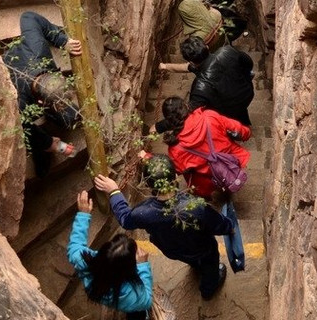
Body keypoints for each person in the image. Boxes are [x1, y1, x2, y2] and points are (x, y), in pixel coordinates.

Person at [94, 156, 231, 300]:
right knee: (210, 267)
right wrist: (230, 228)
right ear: (176, 177)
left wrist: (114, 191)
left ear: (149, 185)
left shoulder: (143, 212)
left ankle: (196, 266)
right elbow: (220, 225)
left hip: (172, 250)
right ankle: (208, 290)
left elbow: (125, 219)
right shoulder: (196, 207)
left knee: (191, 259)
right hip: (203, 250)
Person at [3, 11, 82, 175]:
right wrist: (51, 145)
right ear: (41, 104)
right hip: (10, 78)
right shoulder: (20, 103)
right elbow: (24, 128)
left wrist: (63, 41)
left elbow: (28, 16)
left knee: (70, 117)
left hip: (23, 60)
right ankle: (43, 160)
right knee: (38, 142)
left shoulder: (37, 49)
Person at [68, 190, 153, 319]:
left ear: (104, 251)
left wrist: (83, 215)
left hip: (97, 291)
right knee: (137, 314)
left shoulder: (83, 261)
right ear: (129, 268)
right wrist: (143, 265)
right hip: (126, 302)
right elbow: (147, 300)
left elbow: (75, 246)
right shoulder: (133, 295)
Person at [160, 97, 250, 200]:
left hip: (207, 181)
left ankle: (212, 197)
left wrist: (148, 157)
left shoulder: (176, 148)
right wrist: (246, 133)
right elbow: (238, 129)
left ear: (169, 120)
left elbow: (174, 170)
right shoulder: (209, 116)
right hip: (231, 161)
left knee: (198, 183)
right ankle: (228, 185)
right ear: (186, 107)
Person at [181, 36, 254, 126]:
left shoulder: (200, 86)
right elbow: (249, 63)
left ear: (191, 62)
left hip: (226, 112)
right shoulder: (227, 51)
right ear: (207, 47)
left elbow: (190, 110)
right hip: (247, 94)